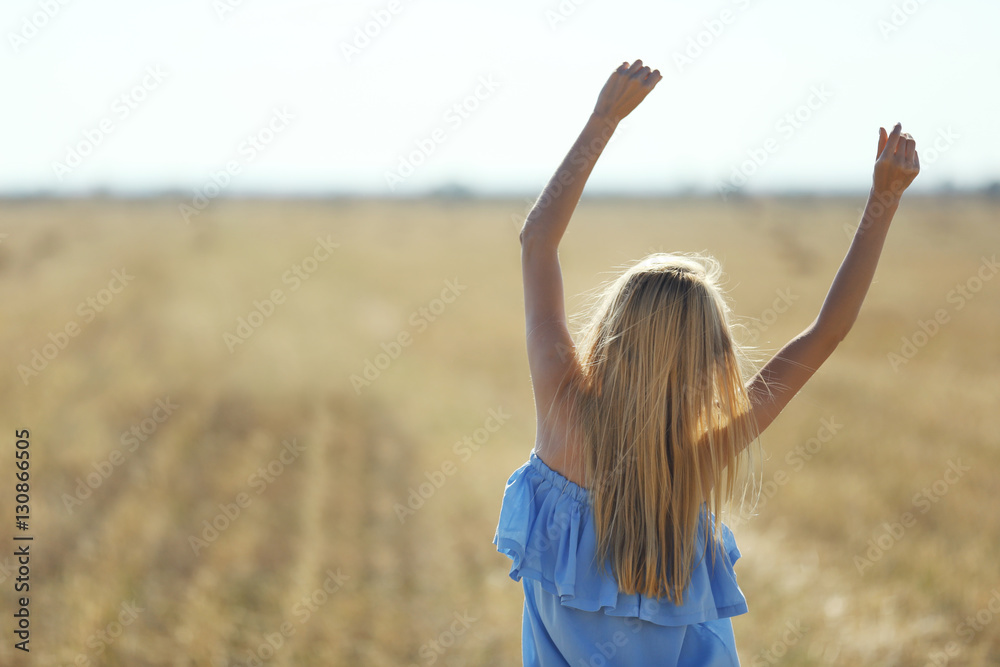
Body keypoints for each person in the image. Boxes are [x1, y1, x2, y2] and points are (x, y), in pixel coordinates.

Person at [493, 59, 920, 666]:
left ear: (614, 334)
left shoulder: (560, 405)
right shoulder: (697, 458)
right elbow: (827, 332)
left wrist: (603, 119)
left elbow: (537, 239)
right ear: (708, 363)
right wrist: (883, 201)